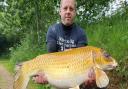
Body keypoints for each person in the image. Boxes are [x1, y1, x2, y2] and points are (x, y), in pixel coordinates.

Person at [33, 0, 105, 89]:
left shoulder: (81, 33)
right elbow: (50, 57)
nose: (68, 11)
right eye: (65, 8)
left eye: (71, 9)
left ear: (75, 12)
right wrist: (45, 76)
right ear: (60, 11)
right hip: (57, 73)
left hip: (75, 72)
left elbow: (81, 61)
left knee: (97, 84)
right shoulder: (52, 30)